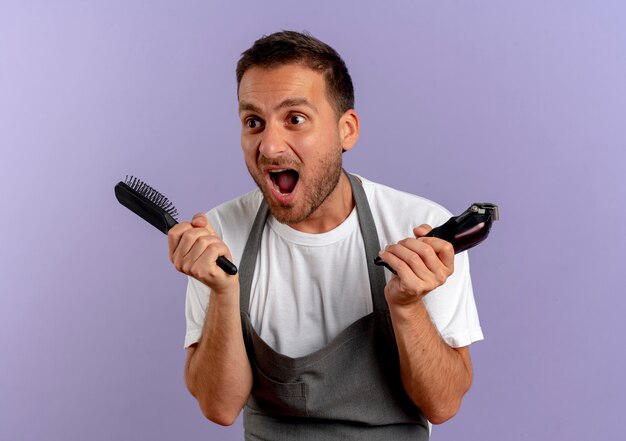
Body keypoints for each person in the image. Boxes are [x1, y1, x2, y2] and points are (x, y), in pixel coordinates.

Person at [168, 30, 483, 440]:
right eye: (253, 122)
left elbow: (443, 405)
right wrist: (224, 292)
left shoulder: (420, 227)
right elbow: (219, 407)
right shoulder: (219, 236)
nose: (269, 145)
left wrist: (407, 307)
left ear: (346, 130)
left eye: (295, 119)